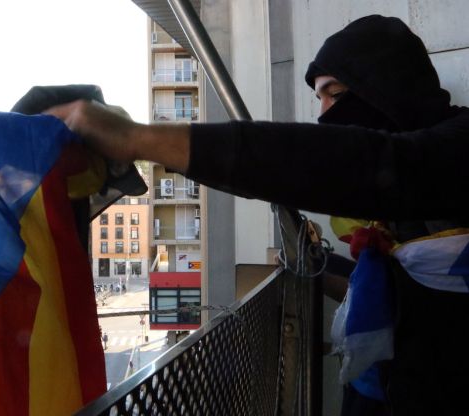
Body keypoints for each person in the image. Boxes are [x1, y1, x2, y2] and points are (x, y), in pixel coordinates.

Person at [46, 15, 469, 415]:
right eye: (318, 97)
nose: (323, 114)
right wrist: (314, 266)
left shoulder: (454, 149)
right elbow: (406, 292)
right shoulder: (407, 222)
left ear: (389, 87)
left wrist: (138, 139)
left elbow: (370, 165)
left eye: (336, 94)